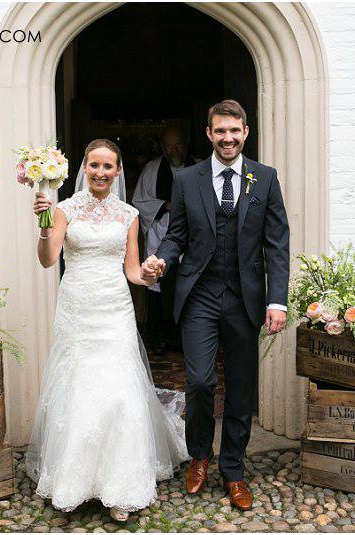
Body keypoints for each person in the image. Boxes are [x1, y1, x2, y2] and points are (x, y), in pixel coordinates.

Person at [25, 139, 189, 522]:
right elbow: (49, 261)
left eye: (108, 167)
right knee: (79, 386)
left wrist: (150, 273)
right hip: (77, 306)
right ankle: (76, 482)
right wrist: (44, 225)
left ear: (118, 171)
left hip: (114, 307)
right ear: (84, 167)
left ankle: (121, 486)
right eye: (94, 165)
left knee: (118, 390)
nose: (100, 173)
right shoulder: (64, 209)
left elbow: (131, 270)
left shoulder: (129, 214)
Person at [141, 100, 290, 511]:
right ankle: (200, 456)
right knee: (202, 381)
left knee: (241, 386)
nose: (227, 138)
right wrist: (163, 259)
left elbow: (277, 244)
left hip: (245, 299)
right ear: (209, 134)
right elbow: (176, 236)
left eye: (234, 131)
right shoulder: (188, 179)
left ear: (246, 132)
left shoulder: (265, 178)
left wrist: (277, 300)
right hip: (200, 295)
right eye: (219, 131)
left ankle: (234, 470)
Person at [132, 126, 196, 354]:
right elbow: (139, 201)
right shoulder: (152, 168)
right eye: (169, 145)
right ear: (162, 147)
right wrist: (165, 205)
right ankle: (159, 338)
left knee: (188, 286)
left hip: (190, 237)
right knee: (158, 283)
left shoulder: (198, 167)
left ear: (185, 144)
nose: (174, 149)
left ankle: (185, 339)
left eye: (177, 144)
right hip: (160, 232)